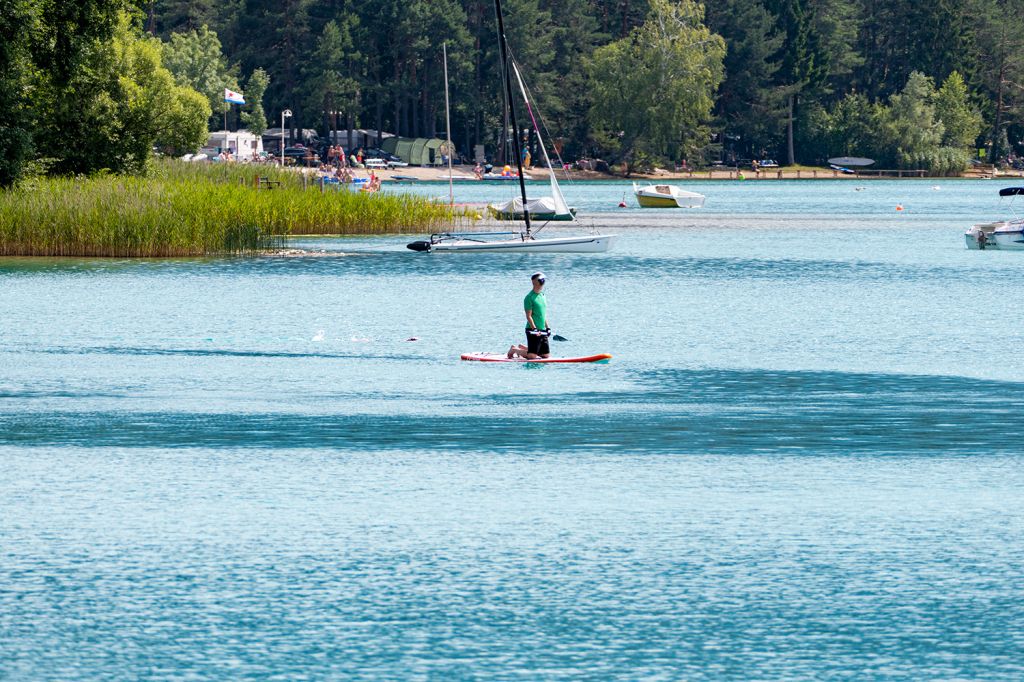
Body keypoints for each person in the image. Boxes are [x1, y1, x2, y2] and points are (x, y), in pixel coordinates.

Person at [508, 272, 551, 359]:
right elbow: (528, 316)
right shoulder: (529, 297)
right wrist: (534, 329)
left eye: (544, 280)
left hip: (542, 330)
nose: (544, 282)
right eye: (542, 280)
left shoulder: (543, 296)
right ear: (535, 282)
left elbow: (543, 314)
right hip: (532, 330)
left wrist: (548, 328)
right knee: (532, 356)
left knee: (545, 356)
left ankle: (524, 348)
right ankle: (514, 349)